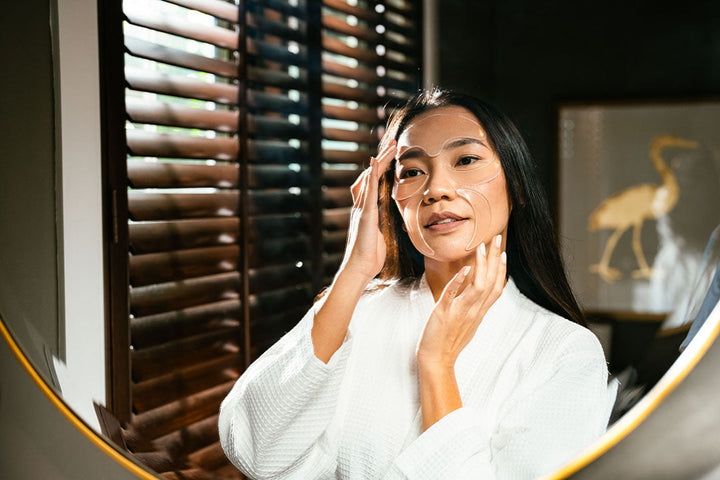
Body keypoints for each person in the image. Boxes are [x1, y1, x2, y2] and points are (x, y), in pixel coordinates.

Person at [218, 89, 616, 480]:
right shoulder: (358, 313)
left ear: (517, 187)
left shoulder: (564, 351)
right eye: (411, 172)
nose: (437, 189)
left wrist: (437, 364)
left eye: (466, 159)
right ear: (391, 198)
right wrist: (354, 272)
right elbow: (257, 452)